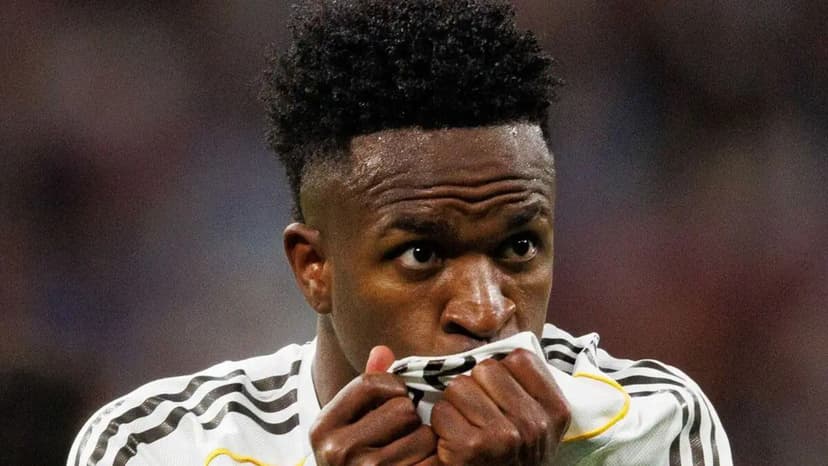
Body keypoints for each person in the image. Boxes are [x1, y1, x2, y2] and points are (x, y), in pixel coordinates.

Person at [68, 1, 732, 465]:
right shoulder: (156, 447)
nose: (486, 311)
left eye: (518, 247)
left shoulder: (654, 428)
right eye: (422, 254)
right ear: (314, 268)